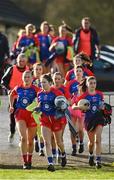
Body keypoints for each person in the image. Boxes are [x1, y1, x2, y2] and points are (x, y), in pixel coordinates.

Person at [9, 70, 40, 169]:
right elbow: (11, 95)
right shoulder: (18, 88)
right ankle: (25, 162)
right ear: (22, 78)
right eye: (25, 77)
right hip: (20, 114)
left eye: (28, 77)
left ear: (32, 78)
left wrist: (38, 106)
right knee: (23, 138)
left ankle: (30, 160)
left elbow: (41, 99)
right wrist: (11, 106)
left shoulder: (36, 89)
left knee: (30, 141)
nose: (26, 79)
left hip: (32, 116)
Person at [73, 76, 104, 168]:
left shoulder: (100, 94)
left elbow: (102, 105)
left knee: (98, 140)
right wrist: (81, 107)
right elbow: (74, 106)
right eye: (91, 83)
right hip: (89, 120)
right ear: (87, 84)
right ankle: (91, 154)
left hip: (99, 118)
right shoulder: (84, 96)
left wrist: (103, 107)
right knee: (91, 143)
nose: (93, 85)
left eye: (94, 83)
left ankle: (98, 160)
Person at [37, 73, 67, 171]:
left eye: (44, 82)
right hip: (45, 120)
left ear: (50, 83)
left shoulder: (56, 92)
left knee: (59, 142)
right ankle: (50, 163)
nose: (42, 84)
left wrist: (62, 106)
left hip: (56, 120)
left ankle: (63, 153)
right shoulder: (39, 94)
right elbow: (40, 104)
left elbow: (64, 105)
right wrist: (38, 108)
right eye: (41, 82)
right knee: (46, 142)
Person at [1, 53, 29, 143]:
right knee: (12, 116)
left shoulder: (28, 70)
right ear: (17, 60)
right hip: (13, 97)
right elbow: (3, 81)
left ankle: (23, 137)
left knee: (24, 117)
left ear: (26, 62)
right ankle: (12, 132)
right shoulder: (11, 69)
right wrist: (9, 89)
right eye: (19, 61)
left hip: (25, 98)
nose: (21, 63)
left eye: (23, 61)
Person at [52, 72, 71, 163]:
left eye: (58, 79)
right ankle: (54, 154)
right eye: (55, 79)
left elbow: (69, 102)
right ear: (52, 79)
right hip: (52, 116)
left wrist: (63, 103)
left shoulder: (64, 89)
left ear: (62, 79)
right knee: (52, 136)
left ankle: (61, 154)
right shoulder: (50, 89)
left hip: (62, 116)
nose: (57, 80)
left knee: (59, 137)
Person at [67, 66, 85, 156]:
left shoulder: (86, 82)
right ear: (74, 73)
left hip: (82, 107)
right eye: (76, 71)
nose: (78, 72)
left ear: (82, 73)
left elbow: (88, 94)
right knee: (72, 129)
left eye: (80, 71)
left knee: (81, 128)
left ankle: (81, 143)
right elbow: (67, 94)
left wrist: (80, 91)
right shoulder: (71, 83)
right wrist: (70, 100)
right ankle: (74, 147)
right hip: (73, 107)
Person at [32, 63, 45, 156]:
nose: (38, 71)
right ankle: (36, 140)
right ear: (33, 70)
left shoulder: (44, 80)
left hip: (43, 106)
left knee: (42, 126)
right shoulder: (30, 80)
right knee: (35, 125)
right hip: (33, 105)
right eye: (36, 69)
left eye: (40, 69)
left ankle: (41, 148)